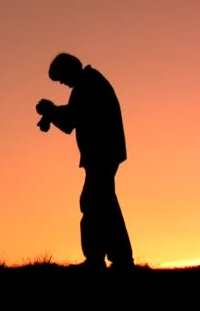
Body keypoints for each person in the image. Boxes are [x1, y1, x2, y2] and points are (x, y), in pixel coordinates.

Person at [36, 52, 135, 271]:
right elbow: (73, 117)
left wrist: (51, 111)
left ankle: (103, 259)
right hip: (103, 152)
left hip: (102, 152)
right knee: (102, 203)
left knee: (94, 202)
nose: (62, 83)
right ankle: (117, 258)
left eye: (61, 78)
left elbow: (72, 119)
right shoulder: (88, 83)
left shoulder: (88, 84)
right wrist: (52, 114)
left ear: (69, 69)